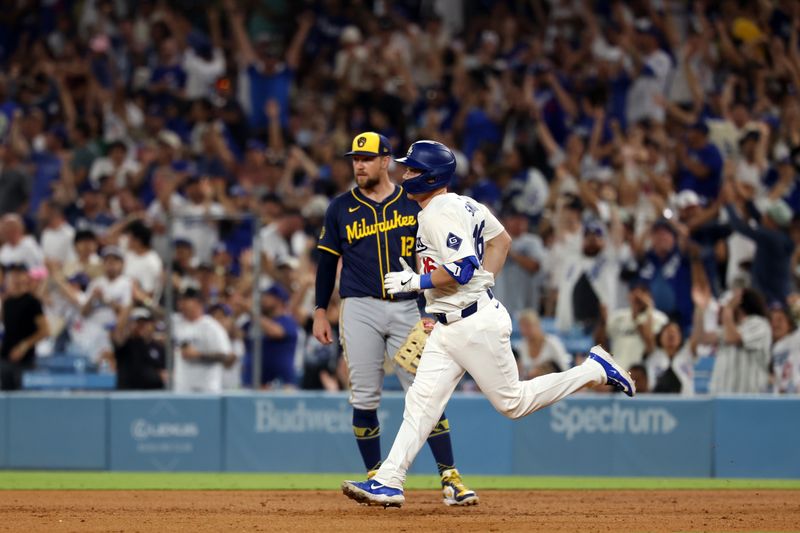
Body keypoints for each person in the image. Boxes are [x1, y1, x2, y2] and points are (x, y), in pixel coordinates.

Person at [341, 140, 634, 508]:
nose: (404, 174)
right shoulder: (466, 204)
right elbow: (501, 242)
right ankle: (389, 481)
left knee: (513, 403)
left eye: (412, 169)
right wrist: (481, 285)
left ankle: (592, 369)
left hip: (474, 325)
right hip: (452, 324)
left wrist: (417, 283)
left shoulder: (437, 212)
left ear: (430, 176)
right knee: (421, 403)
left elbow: (463, 267)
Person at [314, 132, 478, 506]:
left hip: (408, 307)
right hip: (359, 308)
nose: (359, 164)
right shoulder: (340, 207)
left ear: (386, 160)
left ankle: (449, 477)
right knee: (365, 396)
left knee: (427, 391)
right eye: (355, 158)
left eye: (367, 158)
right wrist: (320, 310)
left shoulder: (413, 202)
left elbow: (434, 259)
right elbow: (326, 263)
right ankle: (377, 478)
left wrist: (434, 308)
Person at [172, 287, 232, 393]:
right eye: (180, 300)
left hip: (207, 389)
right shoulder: (177, 322)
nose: (181, 304)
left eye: (185, 300)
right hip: (182, 389)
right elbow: (160, 314)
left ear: (197, 302)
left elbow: (226, 356)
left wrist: (199, 355)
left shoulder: (211, 326)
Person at [0, 264, 49, 390]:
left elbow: (45, 331)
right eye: (12, 274)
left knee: (21, 399)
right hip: (5, 358)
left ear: (26, 277)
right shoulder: (7, 302)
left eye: (19, 274)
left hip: (25, 361)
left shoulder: (33, 302)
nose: (15, 278)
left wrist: (24, 346)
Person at [112, 306, 166, 390]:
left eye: (144, 323)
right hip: (127, 396)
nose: (141, 326)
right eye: (138, 323)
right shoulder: (126, 344)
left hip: (153, 396)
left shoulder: (159, 347)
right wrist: (129, 305)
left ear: (152, 324)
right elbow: (118, 333)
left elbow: (165, 372)